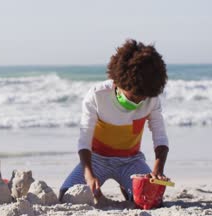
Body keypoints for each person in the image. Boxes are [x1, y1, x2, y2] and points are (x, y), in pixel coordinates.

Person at [59, 39, 169, 202]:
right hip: (97, 160)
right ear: (118, 82)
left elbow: (160, 137)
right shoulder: (97, 95)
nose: (139, 102)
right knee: (67, 196)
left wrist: (158, 170)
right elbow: (84, 140)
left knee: (149, 201)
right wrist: (88, 175)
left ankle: (127, 186)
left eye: (143, 97)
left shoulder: (151, 98)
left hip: (131, 161)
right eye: (134, 96)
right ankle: (121, 186)